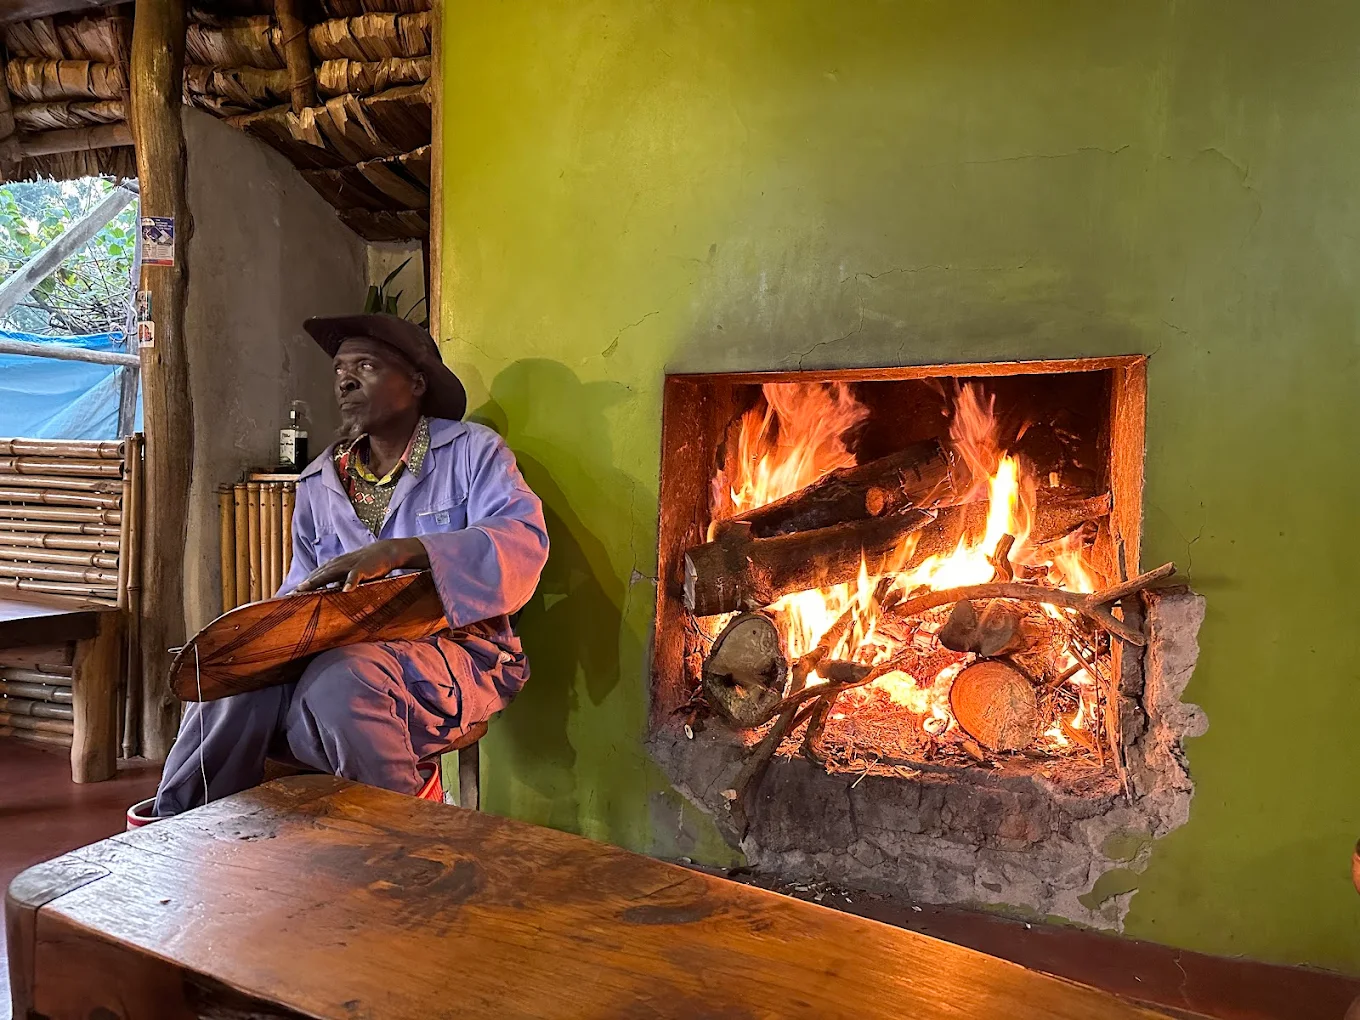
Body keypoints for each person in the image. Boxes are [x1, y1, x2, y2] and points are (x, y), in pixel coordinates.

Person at [148, 314, 548, 816]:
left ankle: (407, 841)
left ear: (416, 384)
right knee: (234, 673)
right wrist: (258, 639)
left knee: (342, 681)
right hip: (341, 652)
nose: (346, 379)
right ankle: (183, 829)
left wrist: (404, 550)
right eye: (340, 368)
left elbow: (523, 542)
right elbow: (303, 584)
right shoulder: (320, 479)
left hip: (462, 652)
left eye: (367, 365)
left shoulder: (472, 452)